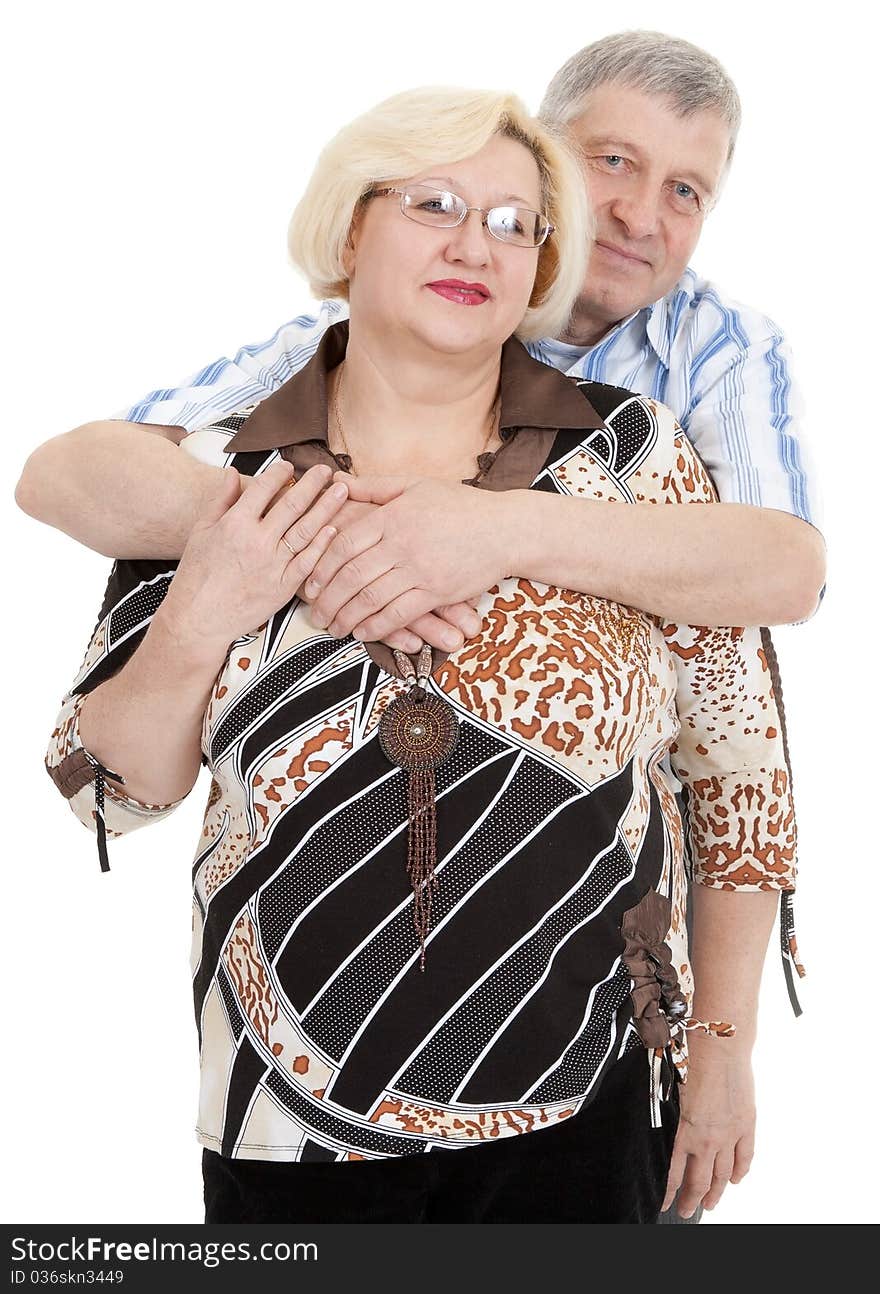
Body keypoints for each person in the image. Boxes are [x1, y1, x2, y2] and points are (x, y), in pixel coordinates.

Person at [43, 87, 797, 1225]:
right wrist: (214, 598)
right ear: (350, 229)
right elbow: (110, 791)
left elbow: (739, 770)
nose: (473, 244)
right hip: (286, 1122)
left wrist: (726, 1046)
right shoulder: (221, 465)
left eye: (513, 223)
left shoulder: (633, 458)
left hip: (587, 1105)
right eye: (434, 202)